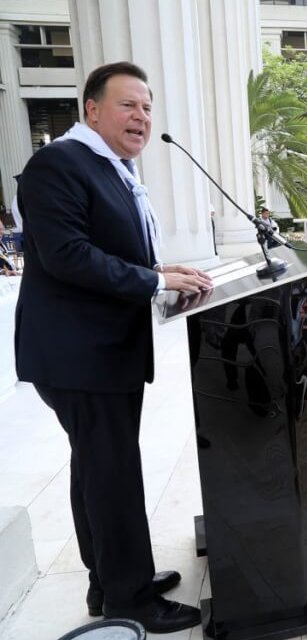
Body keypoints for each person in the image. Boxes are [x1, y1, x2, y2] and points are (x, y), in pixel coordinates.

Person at [15, 62, 211, 632]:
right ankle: (130, 600)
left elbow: (104, 247)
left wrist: (156, 268)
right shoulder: (57, 164)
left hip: (100, 351)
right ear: (92, 109)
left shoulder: (109, 167)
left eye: (147, 107)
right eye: (129, 105)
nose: (142, 117)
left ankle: (110, 580)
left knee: (97, 470)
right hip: (80, 353)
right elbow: (67, 255)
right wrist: (153, 281)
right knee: (113, 473)